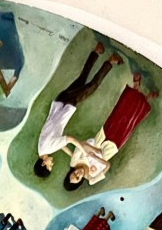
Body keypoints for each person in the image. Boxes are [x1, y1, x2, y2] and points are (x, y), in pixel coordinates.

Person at [34, 43, 122, 177]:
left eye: (50, 166)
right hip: (60, 101)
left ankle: (111, 60)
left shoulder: (48, 148)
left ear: (43, 163)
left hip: (66, 106)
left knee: (92, 86)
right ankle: (97, 50)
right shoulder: (42, 148)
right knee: (81, 79)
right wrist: (72, 155)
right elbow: (60, 143)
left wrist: (84, 151)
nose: (52, 163)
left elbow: (68, 139)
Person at [61, 74, 156, 188]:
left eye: (74, 174)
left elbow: (82, 144)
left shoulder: (74, 162)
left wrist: (95, 150)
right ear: (80, 181)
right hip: (112, 148)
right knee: (130, 122)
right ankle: (147, 98)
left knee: (119, 112)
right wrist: (96, 157)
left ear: (71, 172)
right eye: (77, 178)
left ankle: (136, 86)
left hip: (101, 138)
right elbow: (107, 165)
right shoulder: (91, 179)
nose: (78, 174)